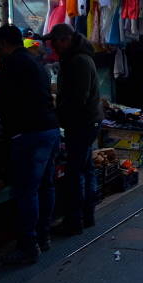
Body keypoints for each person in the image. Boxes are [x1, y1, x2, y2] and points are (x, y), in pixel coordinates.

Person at [0, 25, 61, 265]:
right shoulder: (35, 62)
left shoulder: (12, 64)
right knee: (46, 186)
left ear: (3, 44)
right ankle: (43, 237)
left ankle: (28, 245)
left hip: (30, 132)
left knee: (27, 190)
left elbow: (5, 98)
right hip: (50, 128)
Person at [44, 23, 103, 235]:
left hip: (81, 123)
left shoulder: (78, 61)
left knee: (75, 172)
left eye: (55, 42)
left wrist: (61, 114)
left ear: (65, 40)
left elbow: (79, 97)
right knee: (85, 169)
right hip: (87, 121)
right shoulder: (78, 58)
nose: (52, 46)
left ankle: (74, 220)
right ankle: (87, 216)